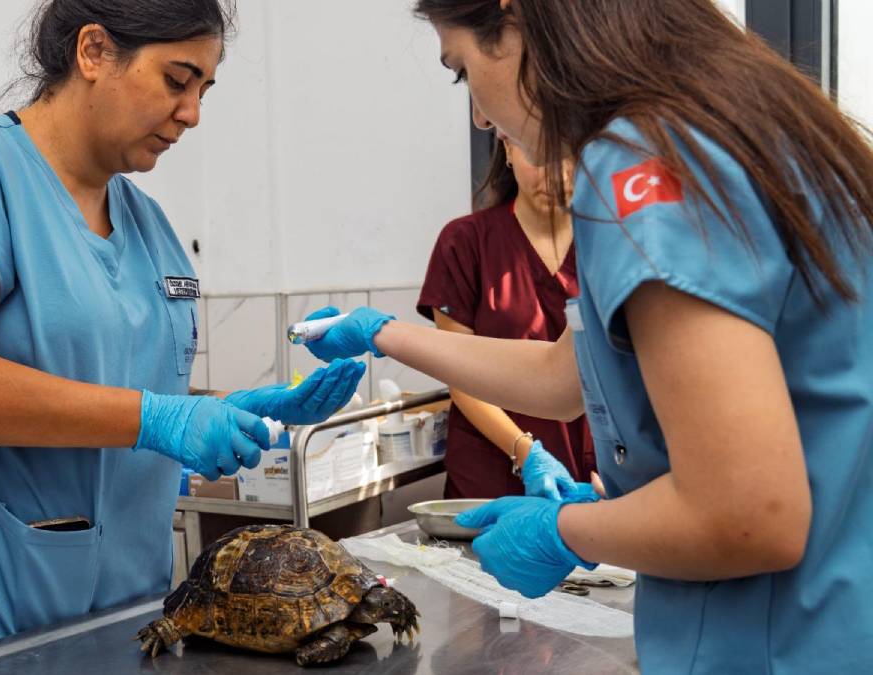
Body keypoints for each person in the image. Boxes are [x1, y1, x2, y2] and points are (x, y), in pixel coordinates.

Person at [298, 0, 873, 671]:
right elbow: (565, 373)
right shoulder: (754, 125)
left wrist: (567, 530)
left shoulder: (639, 164)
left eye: (462, 71)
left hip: (772, 644)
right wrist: (384, 334)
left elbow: (748, 513)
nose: (481, 117)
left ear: (514, 21)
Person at [0, 1, 364, 671]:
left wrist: (235, 408)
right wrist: (158, 417)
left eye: (205, 89)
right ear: (93, 52)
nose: (193, 112)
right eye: (177, 79)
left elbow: (124, 395)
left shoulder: (151, 228)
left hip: (118, 621)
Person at [418, 139, 595, 499]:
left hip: (593, 472)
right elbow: (460, 373)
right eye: (537, 153)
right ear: (508, 148)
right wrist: (526, 452)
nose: (556, 174)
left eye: (570, 156)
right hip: (492, 476)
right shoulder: (465, 243)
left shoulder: (609, 243)